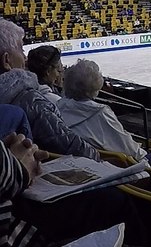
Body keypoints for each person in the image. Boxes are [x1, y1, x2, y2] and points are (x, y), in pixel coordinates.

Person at [0, 21, 99, 160]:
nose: (25, 57)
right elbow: (74, 147)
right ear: (7, 60)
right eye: (21, 49)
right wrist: (100, 157)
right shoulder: (30, 100)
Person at [56, 60, 147, 160]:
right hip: (116, 164)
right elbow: (131, 150)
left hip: (84, 160)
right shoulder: (101, 112)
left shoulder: (58, 107)